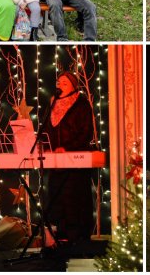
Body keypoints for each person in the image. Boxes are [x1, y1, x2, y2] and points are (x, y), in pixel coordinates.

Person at [39, 73, 97, 245]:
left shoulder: (81, 103)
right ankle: (62, 237)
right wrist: (46, 146)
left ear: (73, 85)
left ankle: (78, 239)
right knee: (57, 198)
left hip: (74, 161)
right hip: (56, 161)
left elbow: (86, 132)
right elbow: (47, 129)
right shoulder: (52, 103)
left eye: (65, 82)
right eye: (59, 82)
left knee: (74, 198)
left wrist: (68, 147)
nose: (60, 84)